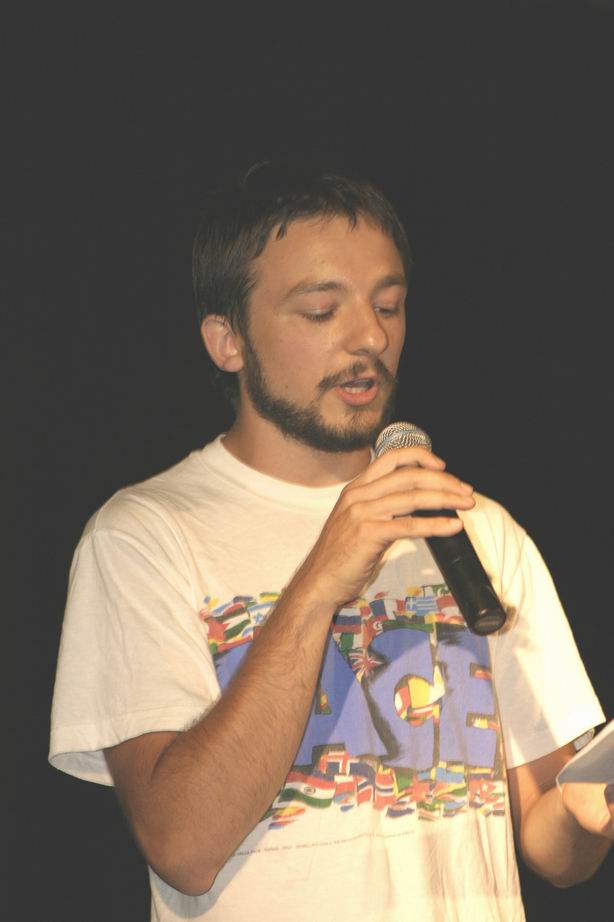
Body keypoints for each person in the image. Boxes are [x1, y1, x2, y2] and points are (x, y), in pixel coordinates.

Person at [49, 161, 612, 921]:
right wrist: (319, 583)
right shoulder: (144, 536)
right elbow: (182, 844)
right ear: (227, 340)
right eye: (321, 311)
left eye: (389, 304)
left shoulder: (479, 529)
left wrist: (584, 810)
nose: (370, 336)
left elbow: (554, 845)